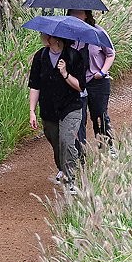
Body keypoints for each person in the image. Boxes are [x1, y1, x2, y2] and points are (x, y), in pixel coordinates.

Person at [28, 33, 87, 194]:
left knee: (67, 142)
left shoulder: (74, 56)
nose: (41, 36)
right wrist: (32, 111)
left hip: (71, 107)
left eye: (44, 34)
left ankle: (70, 180)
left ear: (54, 38)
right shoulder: (40, 56)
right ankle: (63, 166)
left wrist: (65, 73)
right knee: (57, 143)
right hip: (48, 109)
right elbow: (35, 86)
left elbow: (80, 86)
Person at [67, 9, 116, 157]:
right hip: (76, 83)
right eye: (72, 13)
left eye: (78, 13)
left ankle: (107, 147)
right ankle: (79, 154)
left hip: (97, 82)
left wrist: (102, 72)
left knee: (99, 115)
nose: (75, 16)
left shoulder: (98, 32)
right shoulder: (67, 36)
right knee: (78, 119)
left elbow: (110, 53)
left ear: (87, 15)